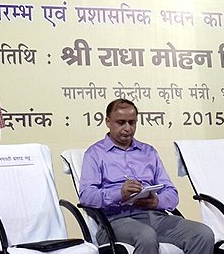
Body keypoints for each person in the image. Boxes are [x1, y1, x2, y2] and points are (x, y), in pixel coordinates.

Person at [79, 99, 215, 254]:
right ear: (108, 122)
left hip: (154, 217)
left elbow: (171, 192)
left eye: (132, 123)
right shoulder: (95, 154)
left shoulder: (149, 152)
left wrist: (157, 201)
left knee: (203, 234)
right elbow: (86, 196)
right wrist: (120, 193)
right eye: (121, 122)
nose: (127, 128)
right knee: (146, 236)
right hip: (115, 221)